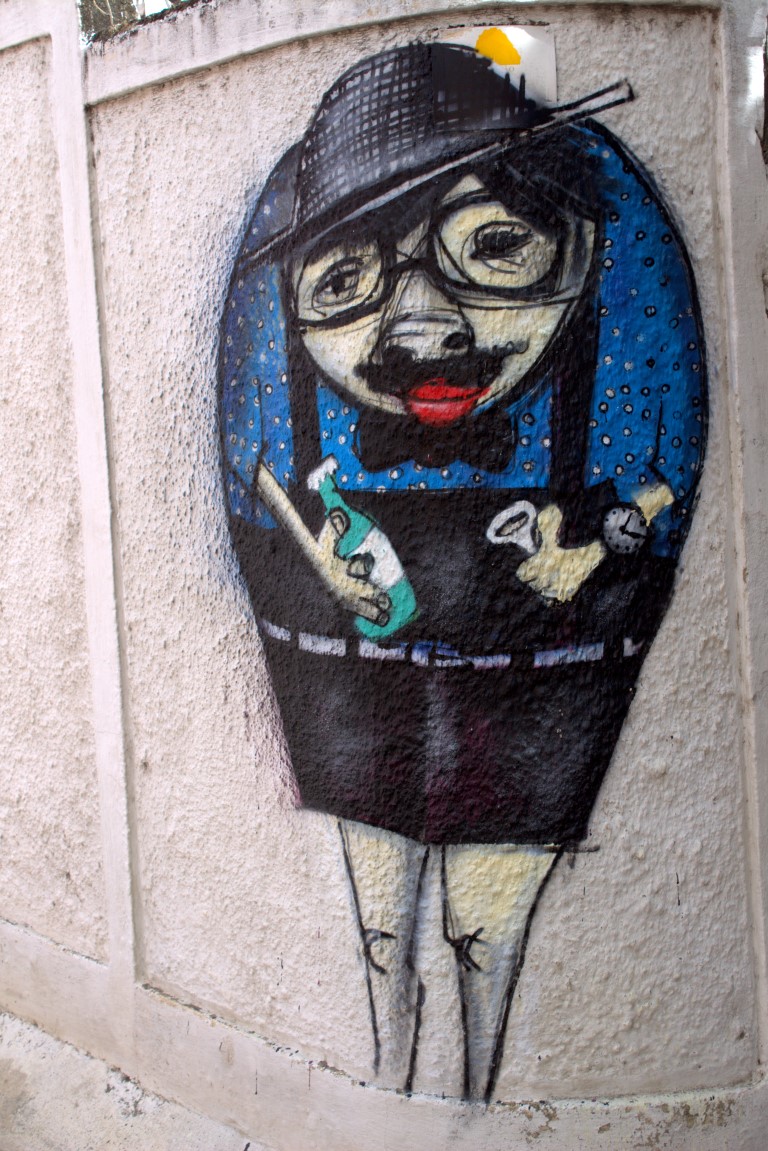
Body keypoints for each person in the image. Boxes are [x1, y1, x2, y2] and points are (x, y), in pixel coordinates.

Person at [219, 40, 706, 1100]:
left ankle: (474, 1107)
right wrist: (323, 566)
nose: (424, 327)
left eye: (493, 246)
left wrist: (594, 551)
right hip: (349, 664)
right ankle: (396, 1095)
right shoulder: (274, 361)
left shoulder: (631, 296)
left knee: (487, 928)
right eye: (348, 278)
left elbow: (663, 470)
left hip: (552, 665)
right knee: (382, 925)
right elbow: (256, 464)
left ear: (579, 243)